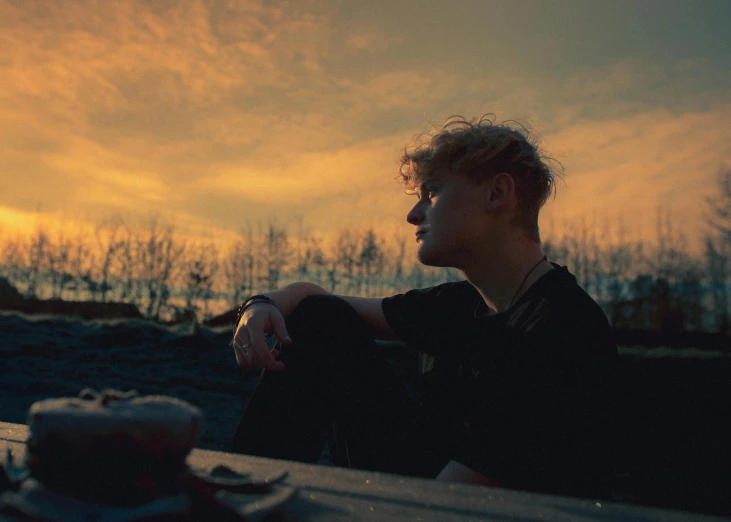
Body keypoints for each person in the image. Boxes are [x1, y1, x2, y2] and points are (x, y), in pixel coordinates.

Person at [230, 115, 619, 499]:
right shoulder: (458, 307)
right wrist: (260, 305)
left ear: (497, 194)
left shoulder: (562, 329)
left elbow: (456, 501)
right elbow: (319, 307)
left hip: (475, 510)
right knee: (321, 319)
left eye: (432, 192)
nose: (413, 215)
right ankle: (234, 495)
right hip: (432, 489)